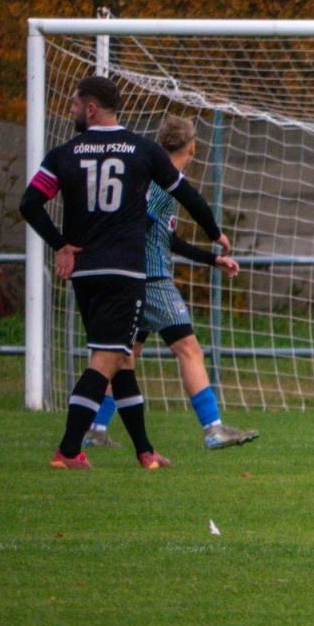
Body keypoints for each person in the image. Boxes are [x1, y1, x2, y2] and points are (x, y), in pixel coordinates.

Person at [18, 76, 229, 470]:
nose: (73, 110)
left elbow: (30, 204)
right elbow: (188, 195)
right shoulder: (142, 149)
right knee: (106, 360)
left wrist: (61, 243)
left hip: (84, 272)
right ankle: (68, 450)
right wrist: (215, 234)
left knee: (121, 360)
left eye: (76, 104)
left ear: (92, 108)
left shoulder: (64, 153)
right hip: (125, 272)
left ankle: (144, 452)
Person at [82, 115, 258, 452]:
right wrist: (215, 237)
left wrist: (211, 260)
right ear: (192, 147)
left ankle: (95, 429)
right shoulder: (166, 183)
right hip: (151, 278)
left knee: (122, 357)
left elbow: (167, 238)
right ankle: (213, 429)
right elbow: (140, 223)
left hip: (135, 276)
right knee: (188, 348)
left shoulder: (151, 178)